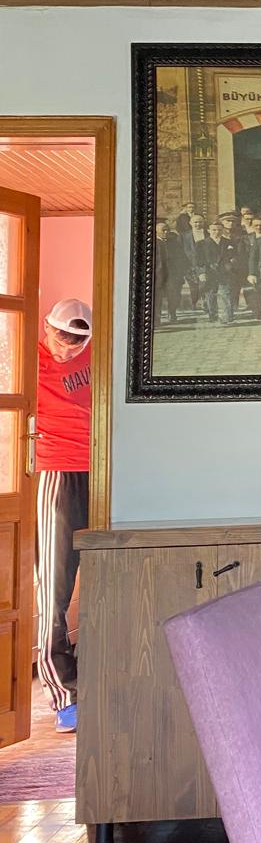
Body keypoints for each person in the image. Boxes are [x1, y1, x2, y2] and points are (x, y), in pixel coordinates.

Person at [34, 300, 92, 733]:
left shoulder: (99, 357)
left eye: (76, 342)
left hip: (103, 469)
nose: (67, 348)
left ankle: (97, 675)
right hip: (57, 471)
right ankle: (64, 693)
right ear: (47, 327)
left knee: (107, 578)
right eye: (61, 337)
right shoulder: (28, 362)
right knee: (55, 585)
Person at [153, 220, 185, 324]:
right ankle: (156, 318)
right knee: (157, 297)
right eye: (163, 230)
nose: (166, 232)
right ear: (156, 231)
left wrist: (180, 273)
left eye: (167, 230)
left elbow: (181, 258)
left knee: (173, 295)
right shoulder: (152, 243)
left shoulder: (174, 243)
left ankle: (172, 314)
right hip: (157, 275)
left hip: (172, 275)